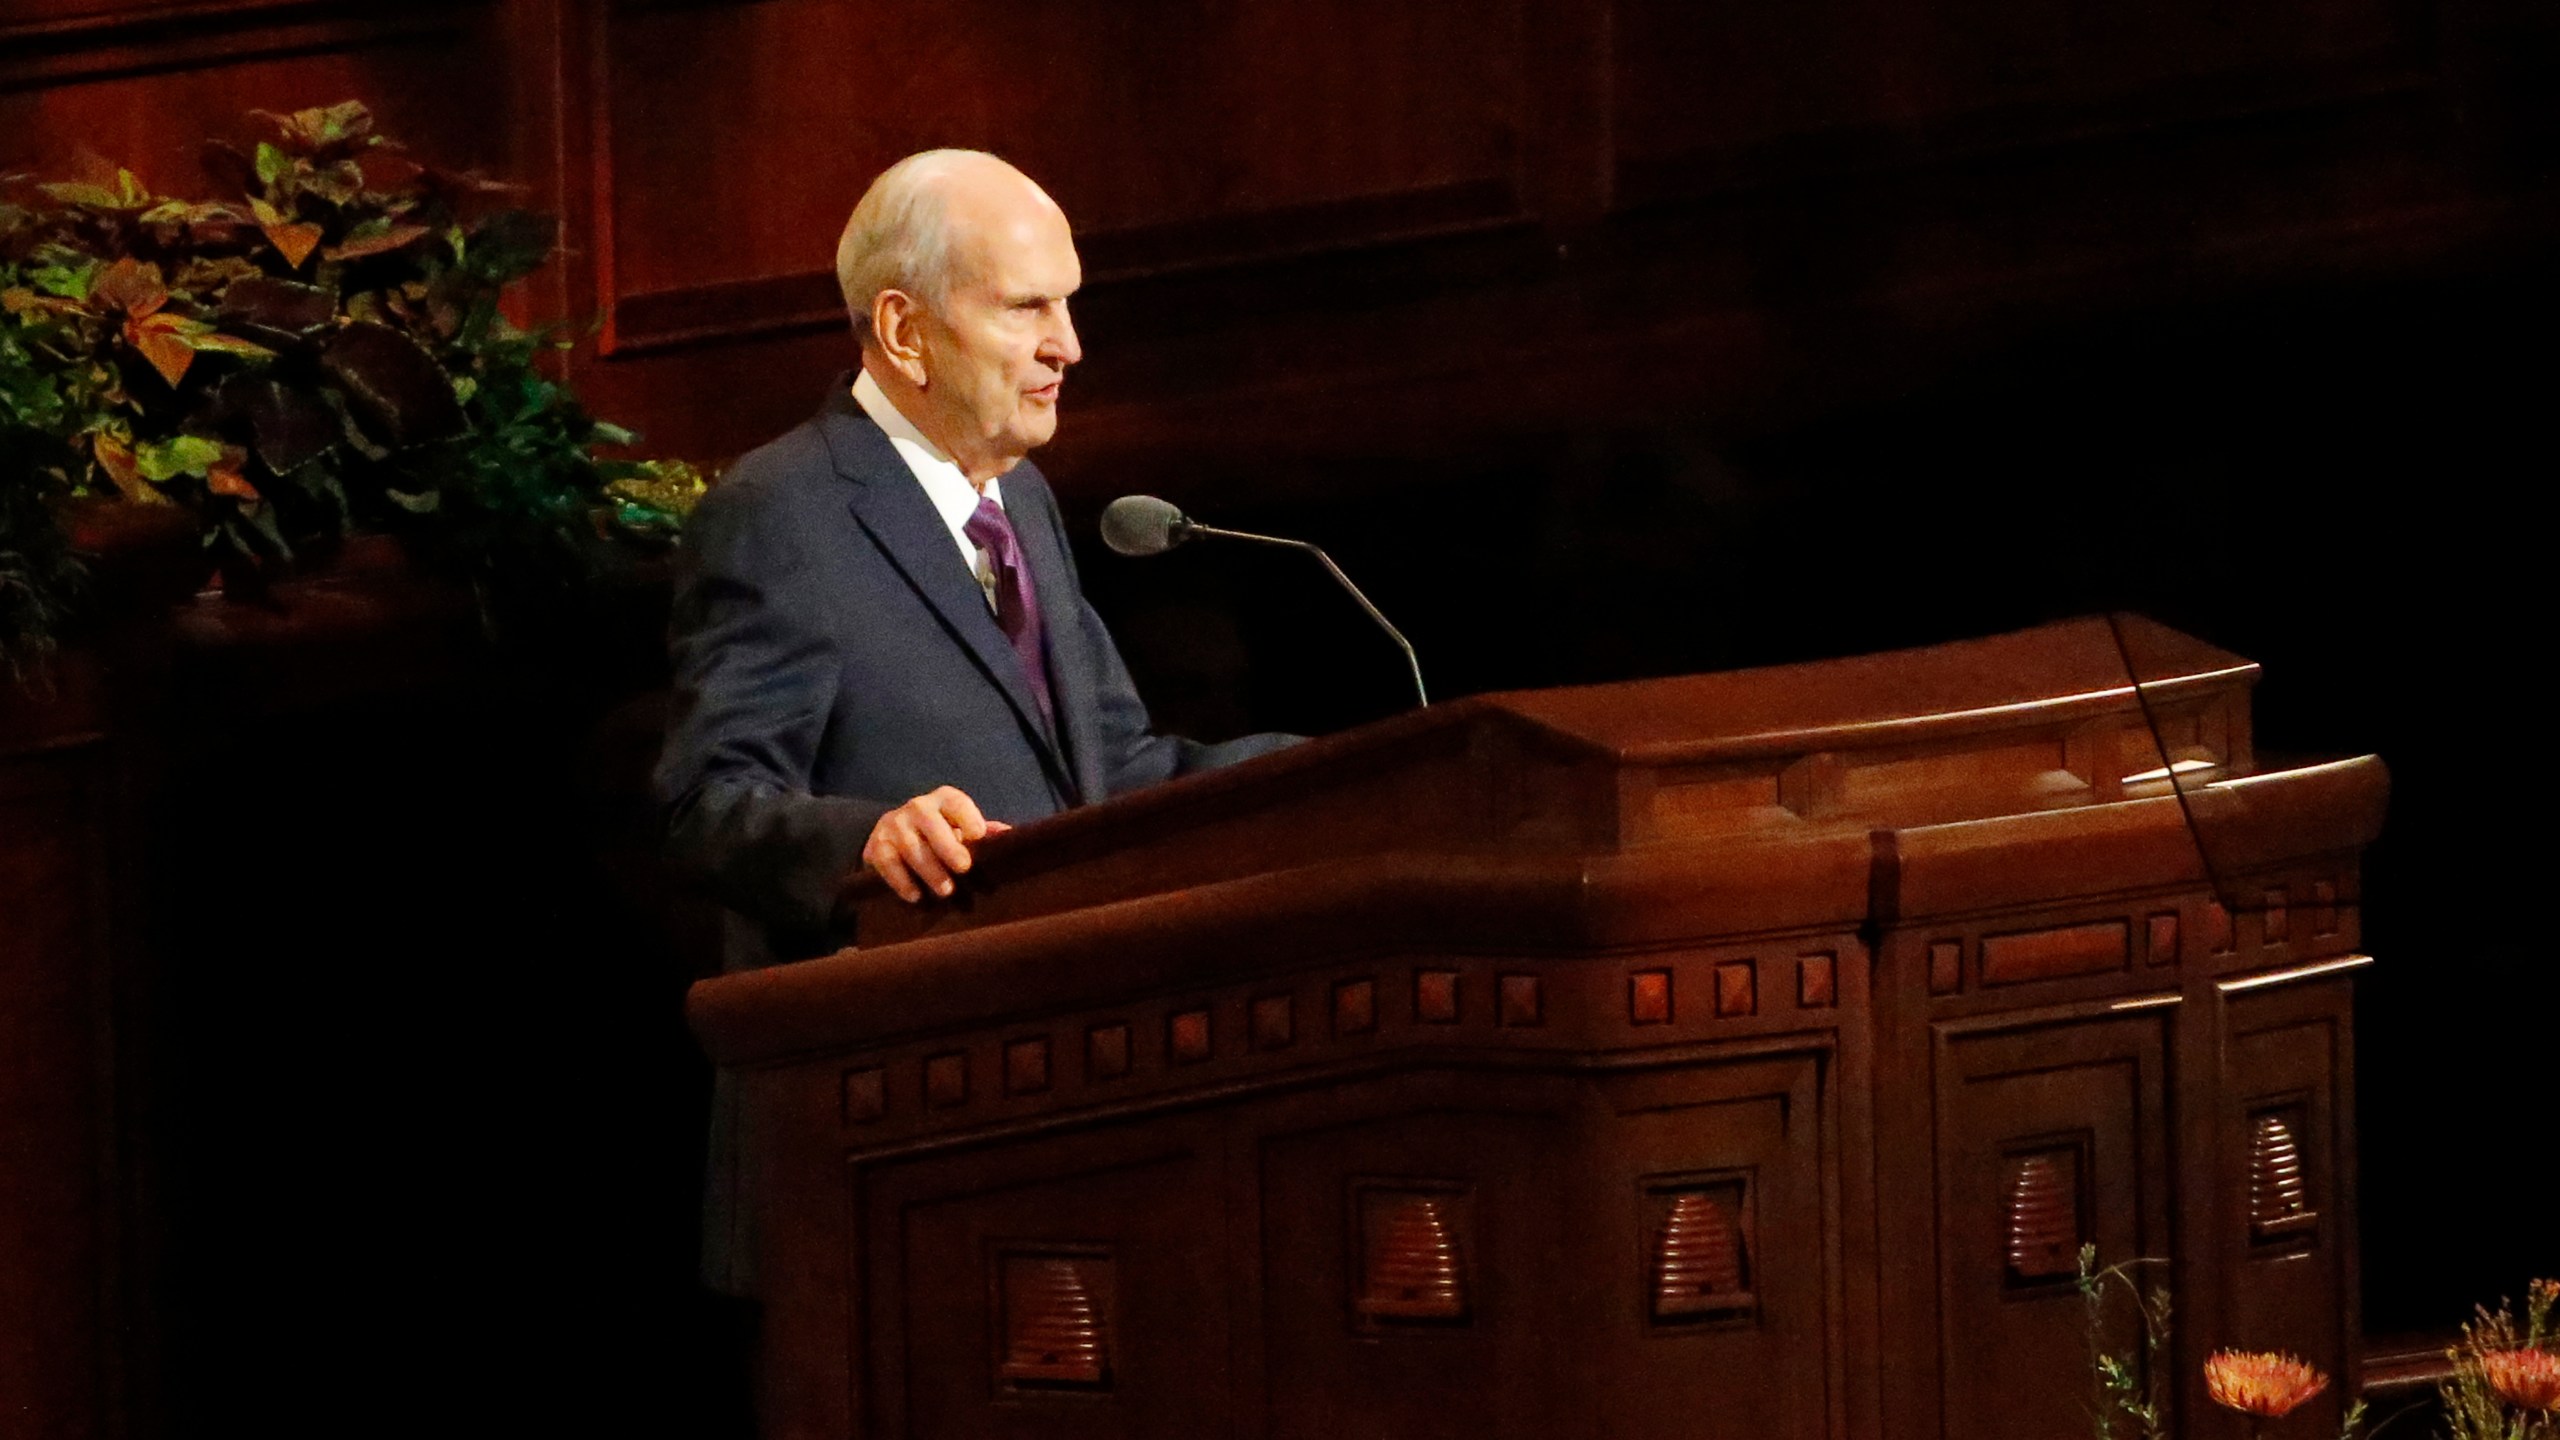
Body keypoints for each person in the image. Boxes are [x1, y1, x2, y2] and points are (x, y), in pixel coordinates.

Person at [654, 150, 1294, 1294]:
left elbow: (1113, 781)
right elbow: (709, 805)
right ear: (904, 333)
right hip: (863, 1160)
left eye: (1070, 304)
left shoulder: (1021, 504)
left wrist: (1321, 782)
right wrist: (868, 842)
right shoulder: (781, 512)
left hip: (1050, 1129)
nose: (1070, 345)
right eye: (1027, 308)